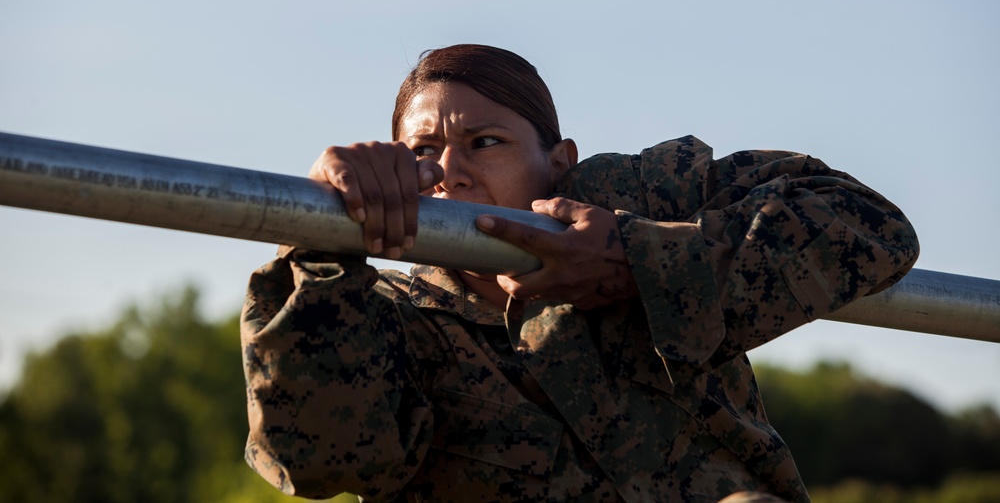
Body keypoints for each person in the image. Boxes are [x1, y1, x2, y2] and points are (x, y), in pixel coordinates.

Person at [240, 44, 919, 502]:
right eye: (422, 152)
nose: (451, 172)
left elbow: (868, 222)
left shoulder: (645, 194)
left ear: (558, 159)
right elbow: (321, 458)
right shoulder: (383, 311)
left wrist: (635, 261)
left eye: (484, 142)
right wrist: (319, 240)